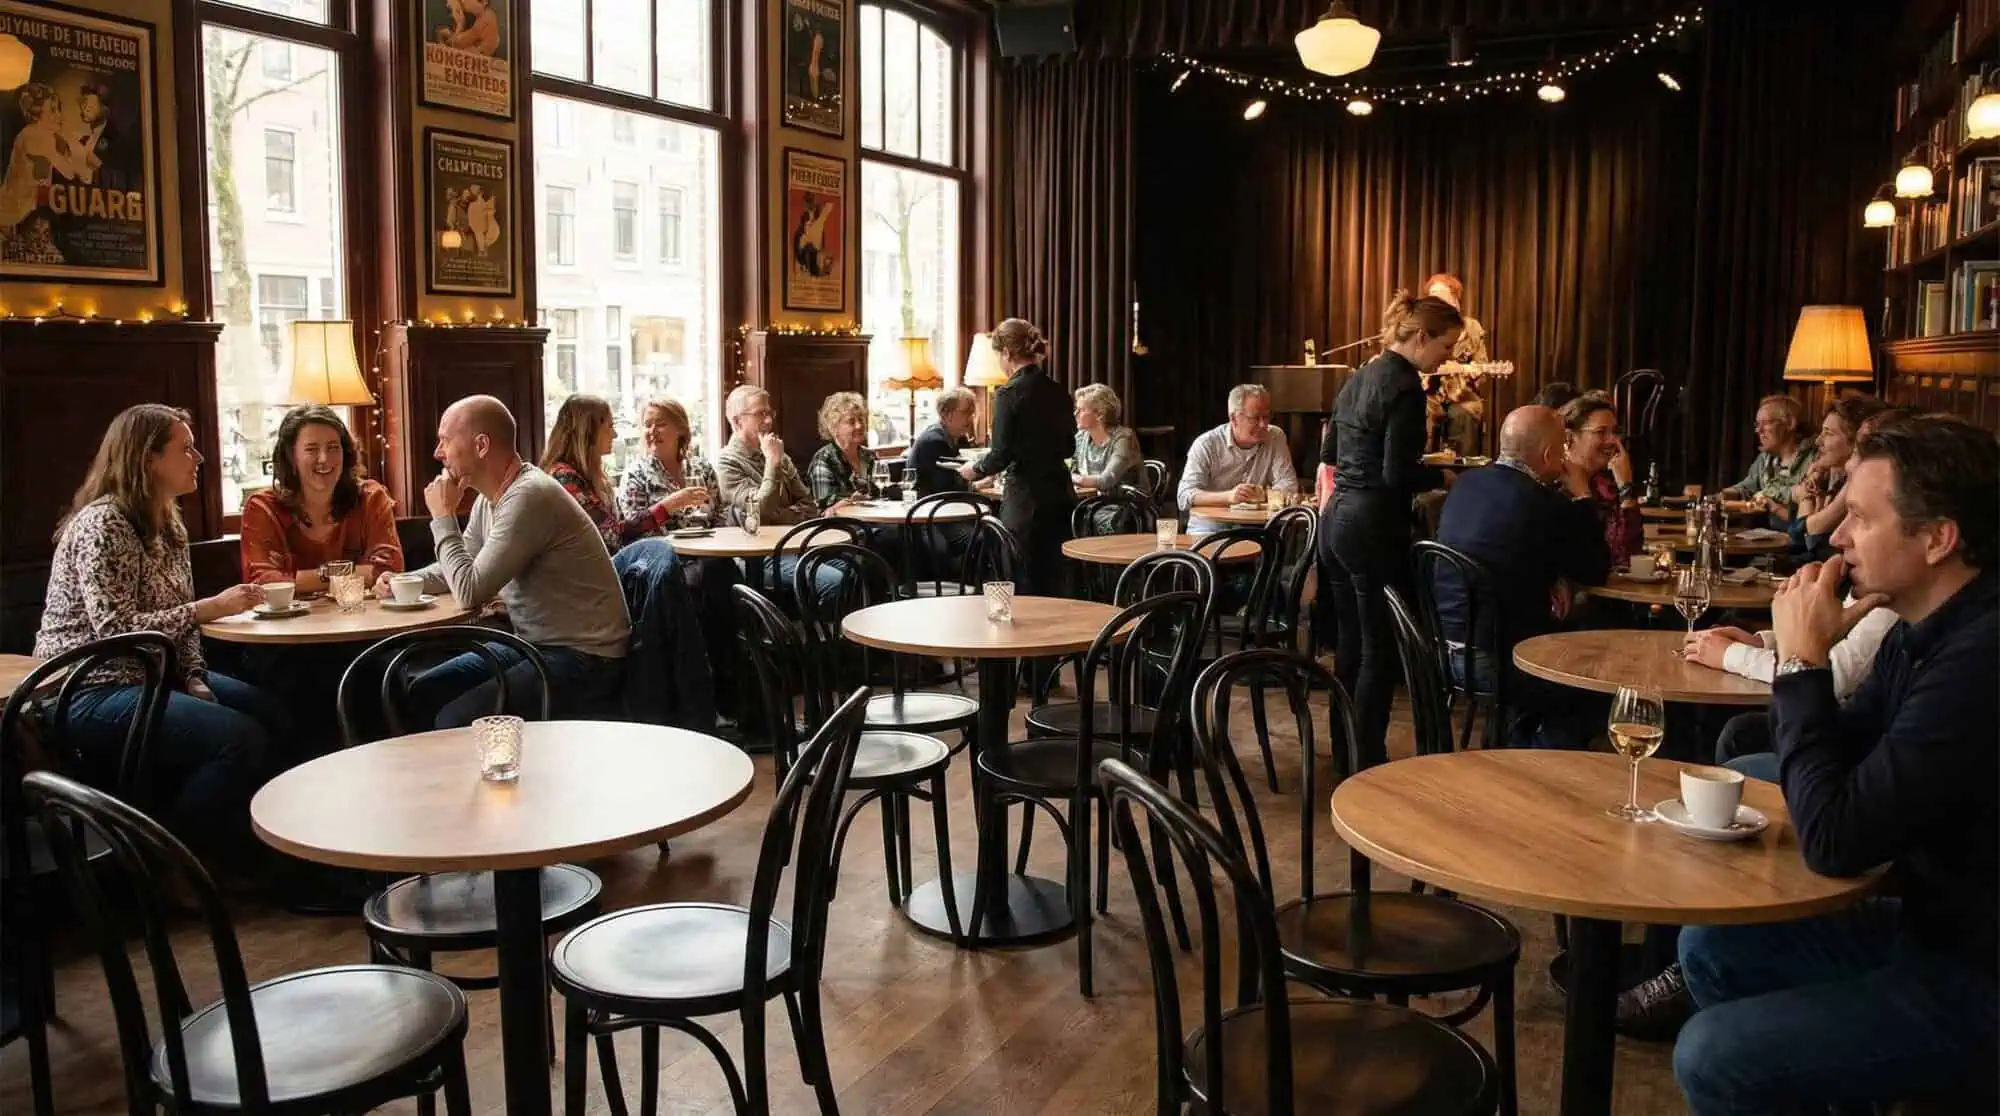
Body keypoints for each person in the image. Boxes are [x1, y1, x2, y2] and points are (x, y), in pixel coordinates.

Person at [1673, 414, 1997, 1114]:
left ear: (1937, 538)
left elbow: (1836, 840)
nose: (1836, 536)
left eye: (1860, 518)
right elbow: (1847, 745)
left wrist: (1800, 664)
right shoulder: (1920, 629)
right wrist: (1803, 665)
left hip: (1978, 973)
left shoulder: (1979, 659)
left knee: (1714, 1055)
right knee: (1709, 944)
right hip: (1928, 927)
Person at [34, 405, 285, 872]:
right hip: (87, 687)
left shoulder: (168, 520)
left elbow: (183, 621)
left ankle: (251, 854)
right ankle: (170, 862)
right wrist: (211, 608)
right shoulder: (104, 524)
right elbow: (114, 630)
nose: (199, 456)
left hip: (155, 674)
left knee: (273, 713)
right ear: (148, 459)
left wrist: (193, 677)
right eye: (184, 448)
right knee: (240, 739)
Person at [376, 395, 630, 727]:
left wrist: (442, 517)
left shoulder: (528, 496)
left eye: (445, 441)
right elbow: (460, 567)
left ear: (481, 445)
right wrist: (402, 582)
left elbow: (469, 591)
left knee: (455, 720)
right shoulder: (490, 498)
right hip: (538, 644)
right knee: (421, 691)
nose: (438, 453)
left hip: (586, 656)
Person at [1318, 292, 1459, 768]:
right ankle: (1367, 762)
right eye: (1445, 347)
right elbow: (1398, 475)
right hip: (1373, 524)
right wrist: (1441, 475)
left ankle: (1344, 753)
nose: (1447, 358)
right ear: (1421, 336)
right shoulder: (1404, 386)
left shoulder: (1359, 376)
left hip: (1335, 520)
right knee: (1378, 650)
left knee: (1349, 645)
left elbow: (1330, 451)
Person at [1432, 405, 1613, 751]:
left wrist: (1550, 575)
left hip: (1442, 651)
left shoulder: (1465, 485)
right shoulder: (1543, 503)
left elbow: (1508, 552)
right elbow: (1595, 570)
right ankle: (1527, 756)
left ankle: (1514, 742)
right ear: (1548, 455)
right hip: (1498, 661)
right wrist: (1583, 496)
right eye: (1561, 450)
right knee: (1599, 686)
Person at [957, 319, 1076, 597]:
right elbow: (1069, 447)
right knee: (1055, 578)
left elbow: (1000, 454)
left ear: (1007, 354)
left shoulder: (1008, 395)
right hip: (1060, 494)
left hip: (1026, 499)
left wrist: (974, 470)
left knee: (1021, 577)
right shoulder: (1058, 390)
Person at [240, 404, 403, 588]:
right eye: (311, 449)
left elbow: (389, 571)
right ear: (291, 457)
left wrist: (297, 579)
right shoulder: (263, 508)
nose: (324, 458)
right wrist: (358, 574)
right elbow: (262, 583)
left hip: (363, 616)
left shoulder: (371, 498)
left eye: (333, 447)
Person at [541, 394, 682, 554]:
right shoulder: (564, 479)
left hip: (604, 568)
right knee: (662, 551)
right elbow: (611, 536)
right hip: (591, 572)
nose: (614, 434)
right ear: (589, 430)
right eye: (609, 425)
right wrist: (666, 507)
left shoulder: (589, 476)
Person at [1178, 384, 1299, 534]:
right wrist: (1228, 497)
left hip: (1256, 525)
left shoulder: (1275, 436)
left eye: (1266, 416)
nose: (1263, 424)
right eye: (1254, 418)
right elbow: (1184, 496)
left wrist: (1260, 495)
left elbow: (1289, 484)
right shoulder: (1207, 444)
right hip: (1211, 525)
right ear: (1233, 418)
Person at [1788, 395, 1890, 559]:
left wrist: (1805, 498)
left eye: (1828, 433)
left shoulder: (1862, 488)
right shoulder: (1831, 478)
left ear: (1856, 441)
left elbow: (1801, 538)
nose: (1818, 441)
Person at [1558, 392, 1643, 566]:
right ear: (1569, 438)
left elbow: (1627, 558)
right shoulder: (1556, 489)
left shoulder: (1604, 487)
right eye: (1601, 432)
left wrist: (1626, 489)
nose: (1613, 441)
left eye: (1615, 432)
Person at [618, 395, 718, 533]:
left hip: (708, 549)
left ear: (681, 430)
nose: (652, 431)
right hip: (662, 552)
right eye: (647, 425)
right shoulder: (636, 474)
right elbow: (633, 529)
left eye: (660, 424)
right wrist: (672, 503)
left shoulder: (703, 469)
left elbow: (720, 515)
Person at [1723, 393, 1814, 523]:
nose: (1758, 430)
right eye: (1757, 424)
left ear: (1790, 423)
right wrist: (1720, 496)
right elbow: (1747, 488)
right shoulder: (1765, 459)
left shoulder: (1813, 459)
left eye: (1765, 423)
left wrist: (1766, 495)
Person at [806, 391, 880, 508]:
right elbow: (824, 504)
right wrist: (852, 501)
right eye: (851, 421)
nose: (859, 426)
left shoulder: (869, 456)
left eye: (861, 419)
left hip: (875, 520)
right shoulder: (824, 459)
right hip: (840, 524)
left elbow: (882, 495)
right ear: (833, 427)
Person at [1071, 383, 1142, 496]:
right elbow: (1069, 465)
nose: (1076, 414)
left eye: (1082, 409)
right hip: (1094, 504)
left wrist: (1075, 479)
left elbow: (1107, 480)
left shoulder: (1124, 439)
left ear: (1100, 414)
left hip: (1125, 506)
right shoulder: (1081, 437)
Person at [906, 387, 978, 496]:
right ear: (947, 414)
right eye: (966, 412)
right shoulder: (933, 441)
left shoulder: (961, 439)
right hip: (930, 506)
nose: (971, 418)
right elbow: (944, 488)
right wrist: (978, 485)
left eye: (972, 413)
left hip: (951, 504)